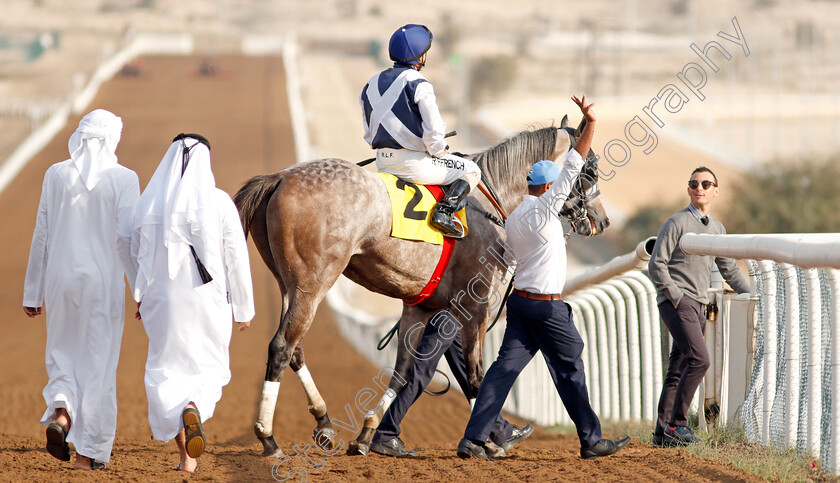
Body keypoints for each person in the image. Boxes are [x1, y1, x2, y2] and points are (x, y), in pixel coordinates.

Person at [457, 95, 630, 461]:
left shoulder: (515, 217)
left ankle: (473, 438)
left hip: (520, 306)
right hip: (547, 310)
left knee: (502, 370)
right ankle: (591, 439)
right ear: (550, 188)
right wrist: (591, 123)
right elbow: (575, 161)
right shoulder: (548, 210)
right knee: (570, 366)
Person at [23, 109, 139, 470]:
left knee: (62, 352)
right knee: (99, 365)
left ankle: (62, 414)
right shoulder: (125, 178)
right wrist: (141, 288)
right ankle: (88, 457)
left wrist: (32, 291)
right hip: (102, 284)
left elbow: (41, 235)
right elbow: (125, 239)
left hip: (59, 281)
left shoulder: (55, 173)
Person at [131, 134, 255, 472]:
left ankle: (186, 458)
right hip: (208, 300)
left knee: (164, 370)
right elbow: (236, 258)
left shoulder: (149, 202)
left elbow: (136, 253)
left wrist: (140, 295)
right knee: (210, 369)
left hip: (162, 300)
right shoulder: (219, 202)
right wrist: (243, 308)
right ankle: (194, 405)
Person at [648, 167, 751, 447]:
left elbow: (729, 268)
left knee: (678, 367)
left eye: (706, 183)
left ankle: (661, 433)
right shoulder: (676, 223)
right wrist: (676, 296)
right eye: (694, 183)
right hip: (678, 304)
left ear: (716, 190)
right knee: (701, 360)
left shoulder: (717, 229)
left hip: (699, 305)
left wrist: (754, 295)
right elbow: (656, 264)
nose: (699, 188)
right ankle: (677, 425)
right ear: (689, 189)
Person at [360, 23, 481, 238]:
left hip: (382, 162)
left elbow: (370, 135)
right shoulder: (419, 83)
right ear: (419, 57)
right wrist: (439, 150)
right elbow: (434, 131)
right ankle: (444, 212)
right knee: (471, 169)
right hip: (413, 165)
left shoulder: (371, 83)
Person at [370, 310, 533, 458]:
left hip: (448, 313)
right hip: (445, 313)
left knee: (469, 371)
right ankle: (386, 433)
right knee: (420, 373)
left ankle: (499, 429)